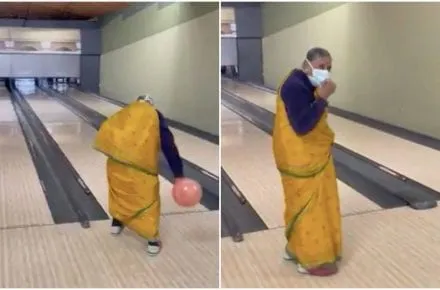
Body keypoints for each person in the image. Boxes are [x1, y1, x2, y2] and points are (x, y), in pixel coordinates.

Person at [272, 47, 341, 276]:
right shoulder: (294, 86)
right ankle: (311, 260)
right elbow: (302, 126)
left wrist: (319, 97)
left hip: (306, 156)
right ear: (306, 65)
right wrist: (322, 99)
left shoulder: (302, 82)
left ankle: (294, 249)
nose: (325, 71)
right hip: (300, 159)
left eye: (329, 67)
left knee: (300, 205)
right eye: (321, 66)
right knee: (310, 208)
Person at [94, 95, 184, 257]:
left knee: (120, 193)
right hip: (141, 168)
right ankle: (152, 240)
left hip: (116, 163)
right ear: (151, 105)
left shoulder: (124, 113)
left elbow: (108, 132)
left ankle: (116, 223)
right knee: (147, 200)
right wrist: (178, 173)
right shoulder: (154, 115)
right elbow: (168, 145)